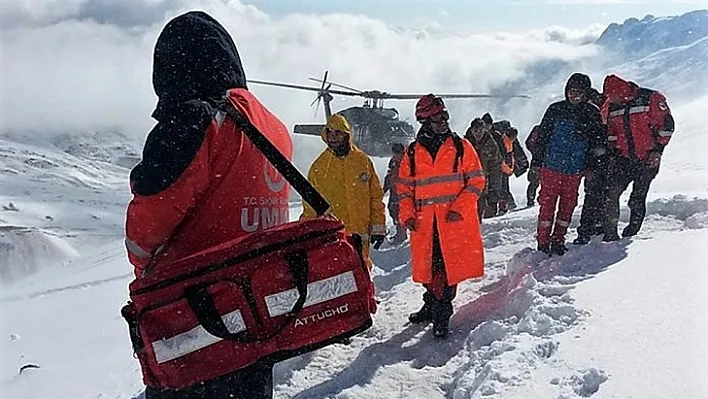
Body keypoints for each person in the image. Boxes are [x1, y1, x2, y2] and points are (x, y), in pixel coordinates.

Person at [125, 11, 290, 399]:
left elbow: (147, 226)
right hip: (258, 313)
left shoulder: (195, 119)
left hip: (195, 319)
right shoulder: (272, 124)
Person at [397, 94, 486, 338]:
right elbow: (404, 188)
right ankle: (431, 303)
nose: (443, 120)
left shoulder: (461, 146)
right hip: (425, 224)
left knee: (446, 269)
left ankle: (441, 313)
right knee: (429, 268)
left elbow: (477, 181)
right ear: (424, 121)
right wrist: (408, 216)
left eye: (443, 115)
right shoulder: (413, 153)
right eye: (437, 116)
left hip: (453, 222)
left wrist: (460, 207)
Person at [532, 73, 606, 256]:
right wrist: (536, 162)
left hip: (574, 170)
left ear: (585, 94)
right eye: (572, 91)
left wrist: (590, 167)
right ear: (566, 91)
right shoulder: (555, 110)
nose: (574, 96)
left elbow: (597, 144)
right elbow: (542, 138)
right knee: (547, 207)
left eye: (579, 92)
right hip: (551, 168)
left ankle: (558, 240)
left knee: (567, 207)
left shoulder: (591, 113)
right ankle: (542, 243)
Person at [301, 114, 387, 268]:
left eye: (337, 133)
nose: (333, 137)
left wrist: (378, 227)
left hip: (361, 238)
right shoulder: (318, 168)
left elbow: (375, 197)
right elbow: (310, 206)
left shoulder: (363, 161)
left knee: (362, 275)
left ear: (346, 134)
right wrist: (307, 234)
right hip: (333, 238)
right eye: (330, 133)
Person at [600, 74, 675, 241]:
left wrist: (657, 150)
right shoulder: (612, 106)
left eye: (612, 96)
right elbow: (611, 132)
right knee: (611, 193)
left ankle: (632, 231)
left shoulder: (651, 99)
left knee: (637, 196)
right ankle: (610, 234)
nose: (610, 100)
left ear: (621, 91)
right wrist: (613, 152)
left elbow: (667, 126)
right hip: (624, 159)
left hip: (647, 158)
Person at [574, 89, 611, 244]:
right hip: (601, 161)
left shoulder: (593, 113)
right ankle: (594, 228)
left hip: (600, 161)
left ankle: (591, 229)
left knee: (595, 196)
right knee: (598, 196)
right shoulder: (600, 112)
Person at [465, 117, 503, 220]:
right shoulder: (465, 143)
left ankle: (478, 223)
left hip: (483, 179)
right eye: (476, 131)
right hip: (467, 179)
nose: (478, 133)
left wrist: (494, 188)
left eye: (481, 131)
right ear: (472, 130)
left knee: (481, 202)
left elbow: (496, 166)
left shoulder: (491, 144)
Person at [383, 142, 408, 245]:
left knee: (402, 212)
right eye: (395, 153)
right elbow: (389, 176)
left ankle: (402, 234)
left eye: (398, 153)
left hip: (404, 191)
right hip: (394, 190)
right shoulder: (393, 161)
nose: (396, 155)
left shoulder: (407, 162)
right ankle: (399, 231)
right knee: (392, 209)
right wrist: (384, 189)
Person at [525, 124, 542, 207]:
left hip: (539, 161)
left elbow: (528, 143)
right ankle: (532, 200)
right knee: (535, 182)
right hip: (540, 162)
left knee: (535, 183)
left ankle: (535, 199)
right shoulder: (539, 129)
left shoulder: (539, 129)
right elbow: (529, 143)